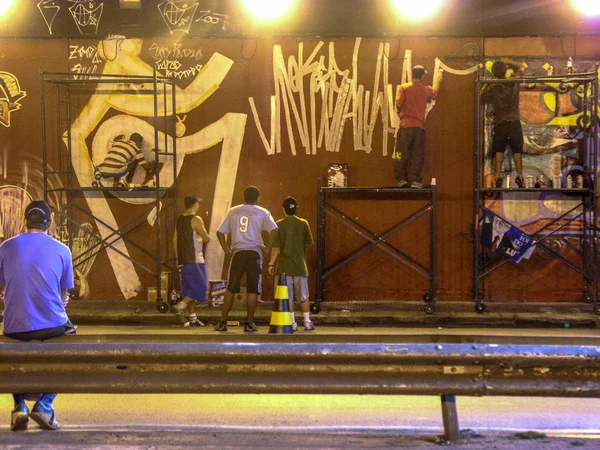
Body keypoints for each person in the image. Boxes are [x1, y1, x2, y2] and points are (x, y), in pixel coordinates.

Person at [0, 200, 76, 431]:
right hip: (52, 325)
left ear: (24, 222)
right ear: (50, 223)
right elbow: (65, 293)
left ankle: (19, 407)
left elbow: (2, 287)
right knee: (75, 351)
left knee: (15, 359)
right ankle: (44, 404)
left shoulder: (5, 247)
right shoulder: (63, 249)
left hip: (14, 326)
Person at [215, 185, 278, 333]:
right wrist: (267, 248)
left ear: (244, 197)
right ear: (257, 198)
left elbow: (220, 232)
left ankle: (223, 322)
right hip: (255, 252)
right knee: (253, 289)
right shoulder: (262, 212)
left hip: (238, 252)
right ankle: (249, 322)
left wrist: (227, 250)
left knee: (231, 288)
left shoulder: (233, 211)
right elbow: (275, 229)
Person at [268, 196, 315, 331]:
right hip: (300, 265)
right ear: (296, 209)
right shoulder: (303, 223)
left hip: (284, 266)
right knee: (304, 295)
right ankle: (307, 321)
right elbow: (309, 241)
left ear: (283, 209)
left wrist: (271, 263)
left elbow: (276, 248)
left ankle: (292, 323)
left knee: (287, 297)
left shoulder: (279, 224)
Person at [481, 58, 527, 188]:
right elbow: (523, 65)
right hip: (514, 121)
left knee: (499, 149)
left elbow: (481, 97)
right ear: (505, 71)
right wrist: (508, 61)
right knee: (517, 149)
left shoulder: (493, 87)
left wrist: (487, 83)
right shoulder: (513, 81)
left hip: (500, 122)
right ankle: (519, 175)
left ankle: (497, 177)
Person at [394, 65, 440, 189]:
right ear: (423, 76)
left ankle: (401, 179)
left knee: (400, 153)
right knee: (417, 155)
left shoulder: (404, 88)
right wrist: (439, 80)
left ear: (412, 74)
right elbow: (435, 94)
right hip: (419, 128)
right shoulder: (426, 89)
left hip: (405, 126)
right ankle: (415, 180)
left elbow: (398, 104)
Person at [172, 195, 211, 327]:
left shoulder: (180, 220)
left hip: (183, 260)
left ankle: (193, 318)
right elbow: (206, 238)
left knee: (189, 290)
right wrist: (200, 239)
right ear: (195, 205)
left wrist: (178, 259)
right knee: (201, 287)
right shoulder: (196, 219)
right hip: (195, 260)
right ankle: (180, 306)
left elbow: (175, 240)